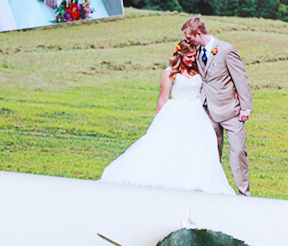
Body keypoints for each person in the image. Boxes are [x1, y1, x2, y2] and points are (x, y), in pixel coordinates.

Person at [100, 40, 235, 194]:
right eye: (189, 57)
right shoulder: (170, 72)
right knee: (170, 144)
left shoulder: (199, 72)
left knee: (197, 147)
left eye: (194, 56)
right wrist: (158, 122)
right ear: (180, 55)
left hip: (196, 113)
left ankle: (192, 177)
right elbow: (163, 99)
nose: (192, 60)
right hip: (176, 112)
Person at [182, 15, 252, 195]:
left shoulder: (227, 50)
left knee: (237, 153)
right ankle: (214, 190)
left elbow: (241, 79)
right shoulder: (196, 50)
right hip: (207, 111)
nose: (187, 40)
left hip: (231, 111)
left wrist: (246, 107)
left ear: (198, 34)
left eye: (189, 37)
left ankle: (244, 193)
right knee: (212, 153)